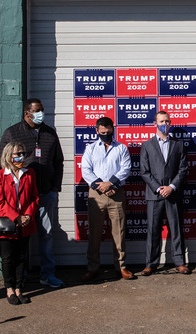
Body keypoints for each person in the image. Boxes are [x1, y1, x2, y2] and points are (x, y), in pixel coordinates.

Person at [0, 98, 65, 288]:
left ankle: (47, 274)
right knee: (20, 237)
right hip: (21, 197)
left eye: (42, 110)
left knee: (46, 234)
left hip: (45, 194)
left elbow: (58, 161)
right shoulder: (12, 132)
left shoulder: (49, 133)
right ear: (27, 113)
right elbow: (2, 165)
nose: (40, 113)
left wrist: (55, 187)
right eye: (36, 110)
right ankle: (21, 278)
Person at [81, 116, 134, 281]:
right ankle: (93, 267)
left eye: (108, 131)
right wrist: (101, 187)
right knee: (94, 234)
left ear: (113, 129)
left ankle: (121, 267)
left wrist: (110, 184)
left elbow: (125, 169)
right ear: (97, 131)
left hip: (116, 194)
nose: (106, 134)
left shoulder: (122, 148)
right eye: (102, 132)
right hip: (96, 196)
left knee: (119, 232)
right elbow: (86, 170)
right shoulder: (90, 149)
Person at [140, 111, 190, 275]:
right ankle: (151, 263)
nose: (165, 124)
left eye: (167, 121)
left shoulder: (178, 144)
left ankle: (179, 262)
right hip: (154, 194)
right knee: (153, 229)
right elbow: (144, 172)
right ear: (155, 124)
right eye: (161, 121)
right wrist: (158, 188)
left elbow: (183, 169)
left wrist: (171, 187)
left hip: (173, 193)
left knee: (176, 228)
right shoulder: (147, 145)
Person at [0, 142, 39, 305]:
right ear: (8, 156)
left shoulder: (30, 173)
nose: (21, 157)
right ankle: (9, 289)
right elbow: (0, 202)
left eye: (23, 153)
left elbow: (34, 197)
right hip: (7, 223)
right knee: (8, 258)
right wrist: (16, 217)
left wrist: (27, 215)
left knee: (21, 257)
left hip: (26, 223)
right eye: (17, 154)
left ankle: (19, 288)